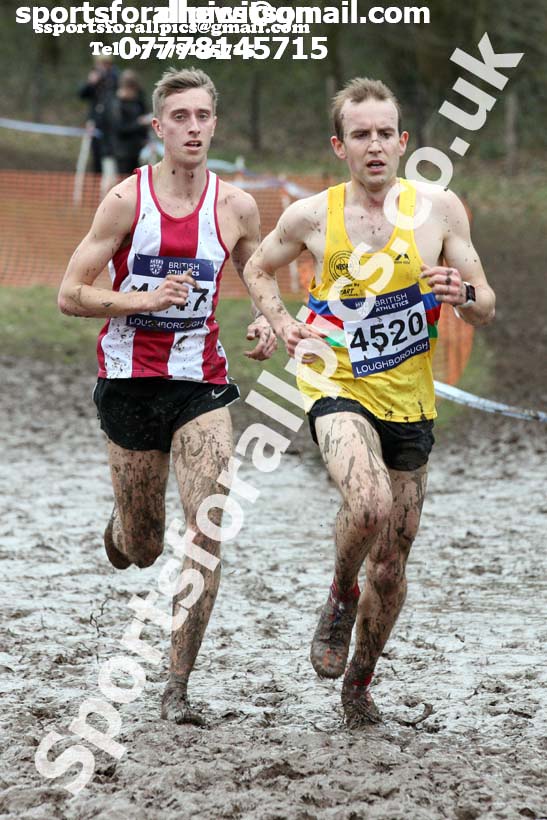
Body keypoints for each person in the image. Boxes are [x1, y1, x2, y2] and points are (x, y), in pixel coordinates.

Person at [244, 77, 495, 728]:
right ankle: (336, 594)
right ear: (340, 146)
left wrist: (459, 294)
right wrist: (278, 319)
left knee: (391, 564)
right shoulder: (310, 217)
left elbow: (486, 301)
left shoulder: (440, 209)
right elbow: (257, 268)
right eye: (361, 135)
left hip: (408, 399)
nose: (375, 144)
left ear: (403, 141)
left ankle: (359, 683)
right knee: (368, 503)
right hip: (335, 382)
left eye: (385, 133)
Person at [59, 67, 276, 725]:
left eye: (201, 116)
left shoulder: (235, 206)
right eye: (178, 117)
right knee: (145, 545)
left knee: (205, 531)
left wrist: (270, 317)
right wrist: (141, 299)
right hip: (128, 384)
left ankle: (176, 687)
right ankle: (123, 531)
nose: (191, 127)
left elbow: (260, 274)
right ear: (157, 128)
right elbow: (71, 293)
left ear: (214, 123)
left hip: (201, 384)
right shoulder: (127, 200)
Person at [78, 55, 119, 175]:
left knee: (109, 157)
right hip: (95, 124)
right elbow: (82, 95)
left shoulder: (115, 78)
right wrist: (91, 83)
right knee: (96, 158)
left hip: (111, 125)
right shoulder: (94, 78)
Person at [112, 70, 151, 176]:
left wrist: (145, 137)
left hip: (138, 148)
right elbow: (119, 128)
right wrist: (139, 123)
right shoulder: (117, 104)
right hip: (123, 151)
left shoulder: (138, 101)